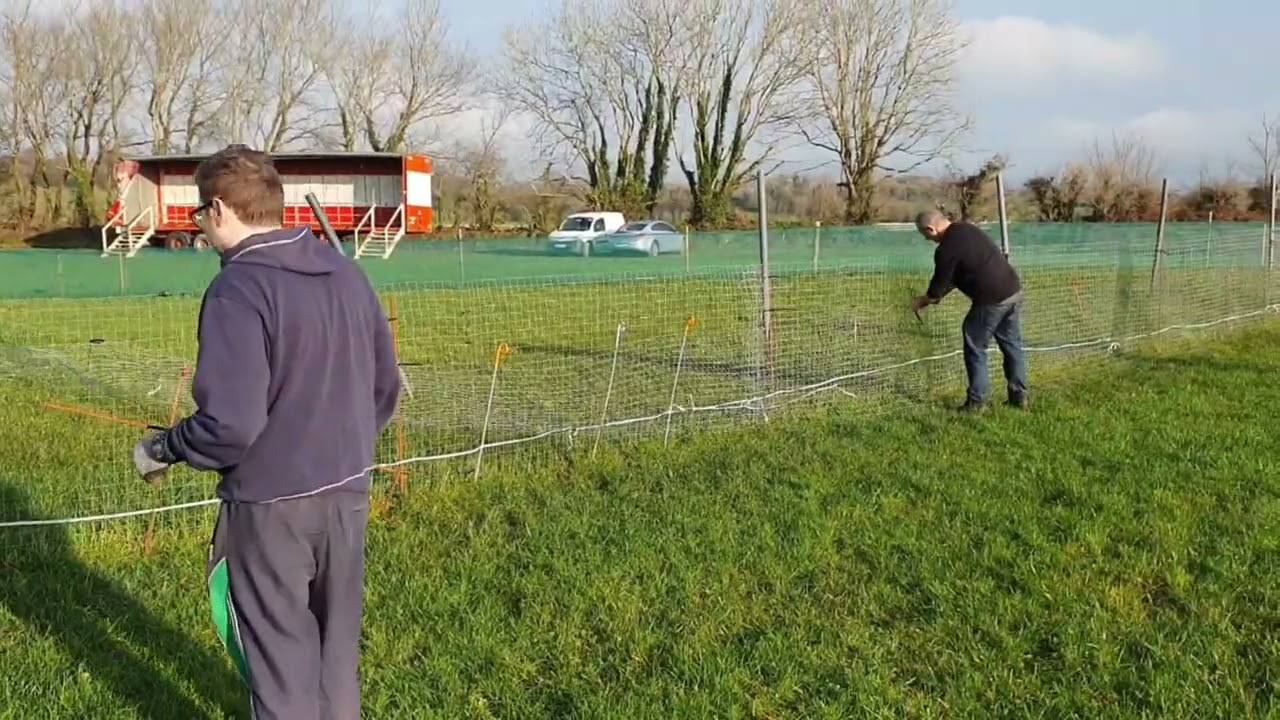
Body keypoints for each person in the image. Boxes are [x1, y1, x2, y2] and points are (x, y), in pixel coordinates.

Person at [132, 144, 402, 719]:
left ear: (222, 209)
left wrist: (165, 447)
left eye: (200, 216)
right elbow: (386, 389)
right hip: (349, 494)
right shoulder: (347, 273)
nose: (201, 229)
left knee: (280, 667)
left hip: (270, 506)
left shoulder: (238, 289)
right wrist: (342, 447)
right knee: (334, 660)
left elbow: (230, 424)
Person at [910, 209, 1029, 412]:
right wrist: (935, 296)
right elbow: (956, 277)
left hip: (991, 299)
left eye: (925, 235)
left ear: (931, 229)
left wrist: (925, 300)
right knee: (1012, 344)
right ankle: (1019, 397)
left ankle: (977, 402)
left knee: (975, 346)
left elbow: (939, 285)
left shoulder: (946, 248)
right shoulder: (966, 229)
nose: (927, 240)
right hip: (1013, 289)